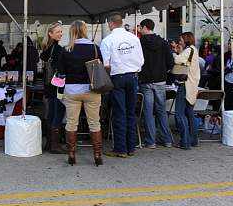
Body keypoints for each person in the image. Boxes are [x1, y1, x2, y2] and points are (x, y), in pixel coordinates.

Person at [57, 20, 104, 166]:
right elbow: (100, 67)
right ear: (85, 31)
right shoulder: (95, 48)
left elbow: (61, 73)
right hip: (92, 90)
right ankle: (97, 154)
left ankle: (71, 153)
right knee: (94, 123)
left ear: (72, 31)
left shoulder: (66, 49)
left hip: (72, 90)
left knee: (71, 123)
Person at [101, 12, 144, 158]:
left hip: (117, 77)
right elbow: (141, 60)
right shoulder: (134, 38)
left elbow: (106, 65)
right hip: (133, 76)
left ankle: (120, 148)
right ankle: (131, 147)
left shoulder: (107, 41)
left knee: (119, 113)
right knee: (131, 112)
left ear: (111, 23)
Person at [137, 18, 174, 148]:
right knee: (161, 111)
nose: (139, 30)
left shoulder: (140, 42)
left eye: (140, 28)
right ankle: (166, 139)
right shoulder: (163, 42)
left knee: (148, 111)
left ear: (145, 27)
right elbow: (170, 62)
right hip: (160, 80)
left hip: (146, 80)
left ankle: (150, 141)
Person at [39, 22, 66, 154]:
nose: (60, 34)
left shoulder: (46, 48)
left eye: (61, 31)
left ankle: (50, 143)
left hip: (48, 85)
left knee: (50, 113)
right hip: (57, 84)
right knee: (57, 113)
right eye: (57, 32)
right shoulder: (57, 49)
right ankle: (55, 145)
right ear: (50, 34)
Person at [172, 32, 200, 150]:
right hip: (192, 86)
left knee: (179, 114)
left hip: (185, 85)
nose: (179, 41)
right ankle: (193, 139)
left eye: (181, 39)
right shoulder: (193, 50)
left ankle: (185, 141)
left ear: (186, 39)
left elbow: (178, 60)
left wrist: (174, 52)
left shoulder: (189, 50)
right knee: (189, 114)